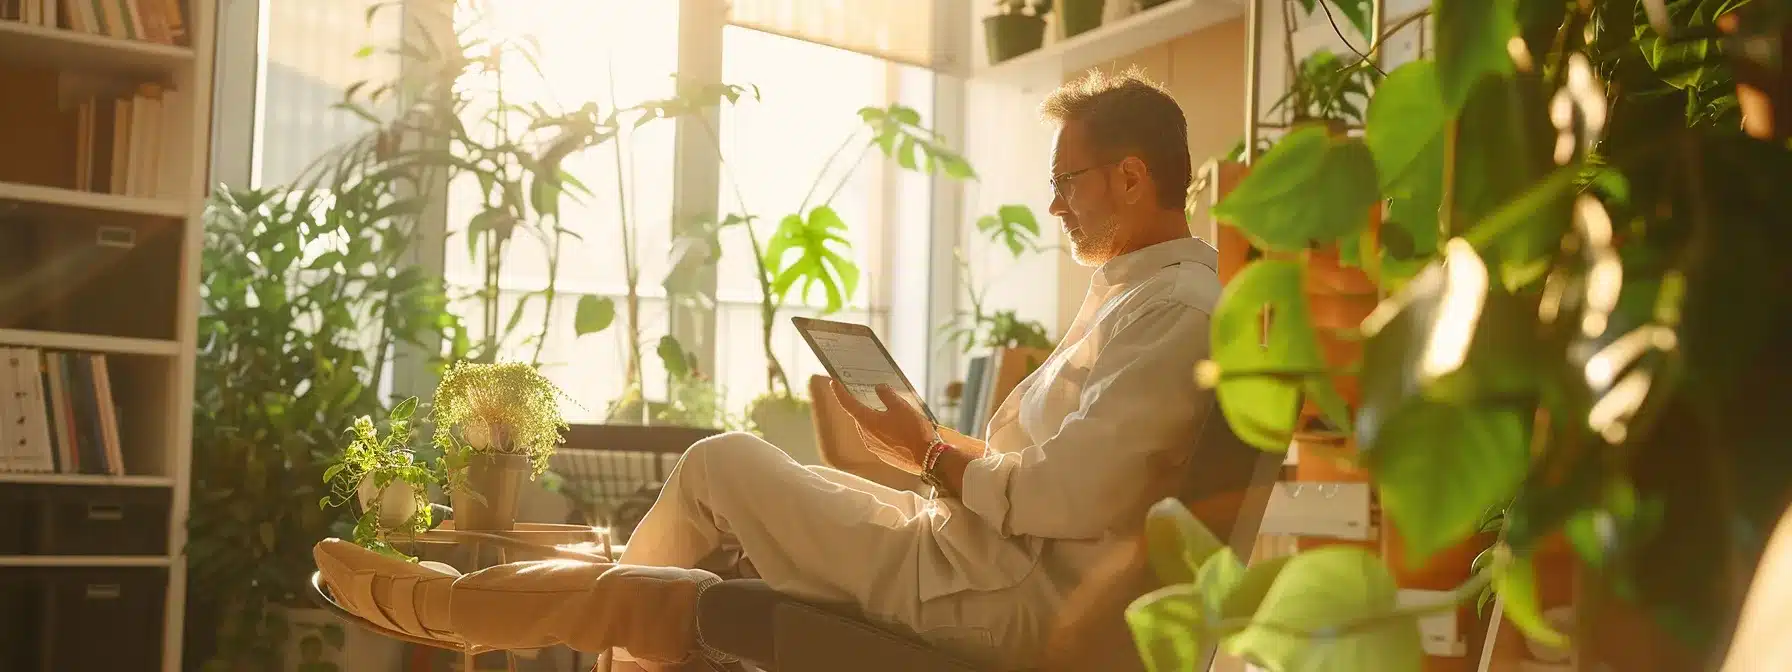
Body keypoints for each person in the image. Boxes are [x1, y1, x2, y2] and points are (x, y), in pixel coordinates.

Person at [313, 67, 1224, 671]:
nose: (1054, 203)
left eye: (1067, 180)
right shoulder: (1133, 299)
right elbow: (1059, 479)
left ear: (1133, 179)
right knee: (726, 483)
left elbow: (1064, 499)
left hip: (1004, 599)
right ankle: (476, 611)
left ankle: (468, 612)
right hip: (977, 557)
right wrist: (924, 447)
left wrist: (936, 457)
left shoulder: (1174, 315)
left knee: (722, 465)